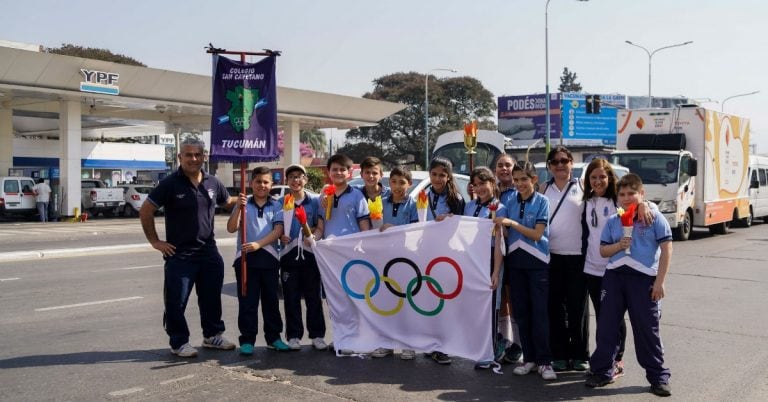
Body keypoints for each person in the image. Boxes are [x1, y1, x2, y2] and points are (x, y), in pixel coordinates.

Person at [139, 138, 237, 358]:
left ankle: (212, 335)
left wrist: (247, 200)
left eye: (198, 154)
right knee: (176, 301)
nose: (194, 159)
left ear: (204, 157)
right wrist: (156, 242)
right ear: (179, 157)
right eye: (189, 155)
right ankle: (179, 341)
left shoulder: (213, 182)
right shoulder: (170, 183)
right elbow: (146, 210)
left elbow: (227, 201)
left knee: (211, 297)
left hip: (209, 252)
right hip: (180, 254)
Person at [586, 173, 673, 397]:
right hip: (615, 276)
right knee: (606, 326)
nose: (626, 198)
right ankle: (603, 370)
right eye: (622, 194)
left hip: (643, 279)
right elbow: (603, 250)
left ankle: (658, 377)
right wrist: (618, 245)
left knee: (647, 329)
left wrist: (660, 282)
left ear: (641, 194)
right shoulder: (614, 221)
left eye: (631, 194)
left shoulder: (653, 217)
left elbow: (667, 249)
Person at [495, 161, 555, 380]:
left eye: (524, 179)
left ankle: (545, 362)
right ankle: (529, 359)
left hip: (538, 263)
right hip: (515, 264)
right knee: (521, 314)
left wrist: (511, 223)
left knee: (540, 314)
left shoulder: (542, 201)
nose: (519, 183)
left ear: (534, 180)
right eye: (516, 179)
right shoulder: (508, 200)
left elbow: (538, 234)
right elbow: (501, 223)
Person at [227, 166, 289, 355]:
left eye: (265, 182)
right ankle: (247, 340)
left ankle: (274, 338)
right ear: (251, 183)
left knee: (271, 301)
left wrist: (258, 244)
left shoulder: (277, 205)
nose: (262, 185)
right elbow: (231, 228)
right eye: (258, 182)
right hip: (245, 260)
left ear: (271, 184)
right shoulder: (244, 204)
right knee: (247, 301)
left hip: (268, 258)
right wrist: (239, 206)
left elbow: (278, 231)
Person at [540, 146, 590, 372]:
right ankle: (559, 354)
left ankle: (580, 354)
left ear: (571, 163)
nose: (560, 165)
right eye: (555, 162)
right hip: (551, 257)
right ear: (549, 166)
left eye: (564, 161)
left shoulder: (582, 187)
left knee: (577, 307)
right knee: (555, 308)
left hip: (578, 257)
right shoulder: (543, 190)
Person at [581, 158, 628, 380]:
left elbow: (640, 204)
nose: (598, 181)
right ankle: (604, 358)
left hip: (613, 268)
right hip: (591, 268)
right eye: (593, 177)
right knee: (601, 316)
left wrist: (647, 205)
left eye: (602, 176)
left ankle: (617, 359)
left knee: (614, 317)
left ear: (609, 178)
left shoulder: (618, 201)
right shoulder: (587, 201)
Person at [370, 165, 418, 360]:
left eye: (402, 182)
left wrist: (393, 228)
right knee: (385, 302)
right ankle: (386, 343)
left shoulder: (414, 204)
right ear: (389, 183)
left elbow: (417, 228)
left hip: (406, 259)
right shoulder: (379, 202)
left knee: (406, 301)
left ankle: (408, 344)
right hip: (383, 258)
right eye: (394, 182)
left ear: (410, 184)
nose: (398, 186)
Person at [279, 164, 328, 352]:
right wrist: (281, 236)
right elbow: (277, 227)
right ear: (287, 181)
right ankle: (293, 336)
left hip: (310, 255)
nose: (296, 180)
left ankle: (317, 335)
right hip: (288, 255)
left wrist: (314, 236)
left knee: (314, 297)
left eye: (299, 176)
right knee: (290, 298)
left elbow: (320, 226)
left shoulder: (315, 201)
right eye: (292, 177)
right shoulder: (281, 202)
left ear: (305, 180)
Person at [423, 156, 465, 365]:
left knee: (445, 300)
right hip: (427, 254)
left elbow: (461, 226)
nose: (437, 178)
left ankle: (444, 346)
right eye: (434, 174)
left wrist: (450, 219)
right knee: (429, 301)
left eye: (442, 174)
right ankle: (432, 343)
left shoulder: (455, 198)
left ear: (448, 177)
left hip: (447, 257)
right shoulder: (424, 195)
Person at [464, 167, 506, 370]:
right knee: (475, 307)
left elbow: (499, 243)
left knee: (490, 307)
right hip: (473, 260)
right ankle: (479, 347)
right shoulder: (469, 206)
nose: (480, 188)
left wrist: (496, 271)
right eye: (476, 184)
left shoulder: (499, 207)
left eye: (484, 183)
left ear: (493, 183)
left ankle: (490, 351)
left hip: (490, 259)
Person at [493, 153, 522, 365]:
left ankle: (519, 344)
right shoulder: (491, 191)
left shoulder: (519, 191)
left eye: (508, 165)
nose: (504, 169)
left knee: (514, 298)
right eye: (500, 165)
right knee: (500, 298)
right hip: (494, 253)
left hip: (515, 251)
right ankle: (504, 339)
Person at [314, 153, 371, 241]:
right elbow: (320, 229)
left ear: (349, 173)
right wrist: (313, 238)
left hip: (352, 247)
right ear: (329, 172)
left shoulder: (357, 196)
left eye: (342, 169)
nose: (338, 172)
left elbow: (364, 228)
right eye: (335, 169)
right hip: (330, 249)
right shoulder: (323, 198)